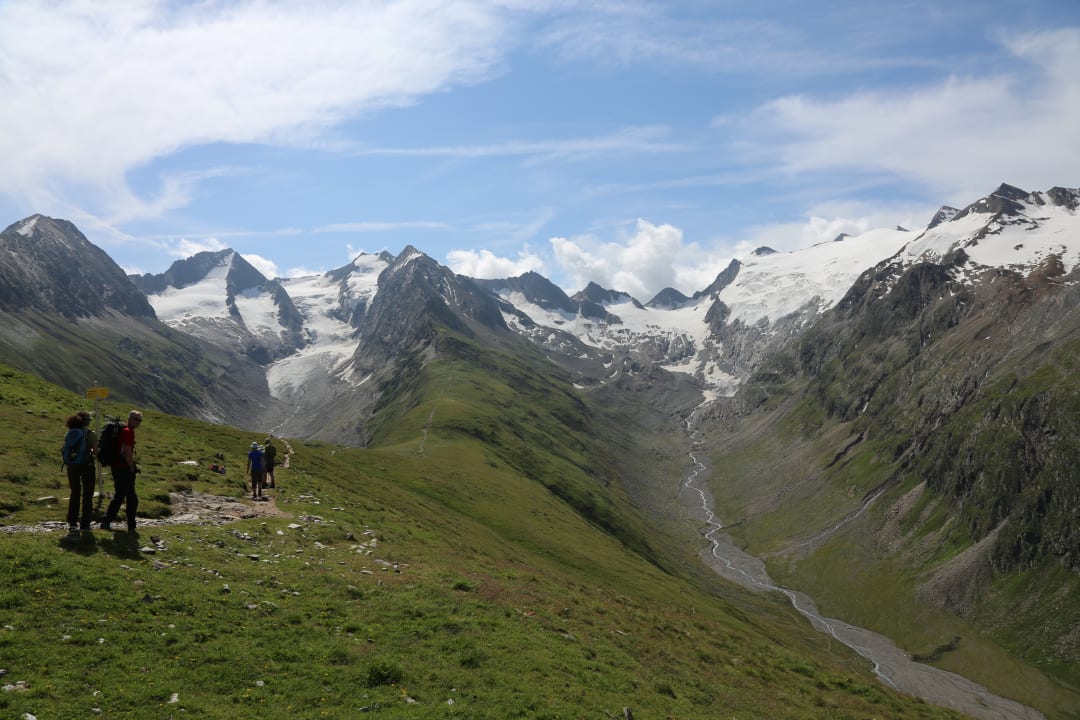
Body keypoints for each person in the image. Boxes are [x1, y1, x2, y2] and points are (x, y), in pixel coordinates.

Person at [101, 410, 143, 534]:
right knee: (132, 498)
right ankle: (131, 526)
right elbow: (127, 452)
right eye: (135, 419)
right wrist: (132, 467)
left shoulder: (123, 430)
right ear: (129, 418)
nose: (137, 422)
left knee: (119, 495)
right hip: (123, 468)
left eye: (139, 420)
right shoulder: (128, 432)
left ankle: (106, 521)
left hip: (116, 466)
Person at [62, 411, 96, 532]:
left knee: (74, 493)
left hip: (72, 467)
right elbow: (96, 451)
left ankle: (72, 521)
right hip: (87, 466)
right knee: (88, 495)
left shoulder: (70, 433)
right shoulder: (91, 434)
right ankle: (85, 524)